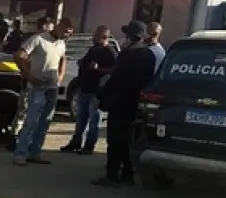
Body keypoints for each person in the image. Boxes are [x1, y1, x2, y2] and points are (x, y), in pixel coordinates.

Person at [93, 20, 157, 187]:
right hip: (137, 104)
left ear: (131, 37)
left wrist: (102, 93)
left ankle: (112, 175)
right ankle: (128, 174)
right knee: (130, 140)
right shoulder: (149, 55)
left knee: (115, 140)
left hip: (120, 102)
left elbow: (116, 80)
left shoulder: (127, 55)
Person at [11, 16, 73, 166]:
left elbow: (63, 58)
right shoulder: (39, 39)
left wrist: (60, 76)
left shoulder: (61, 44)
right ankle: (20, 153)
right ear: (58, 26)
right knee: (31, 121)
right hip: (38, 87)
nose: (67, 35)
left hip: (52, 88)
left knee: (45, 121)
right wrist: (29, 77)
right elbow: (18, 56)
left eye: (70, 33)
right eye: (65, 31)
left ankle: (35, 152)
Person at [61, 25, 116, 154]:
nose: (93, 38)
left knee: (94, 120)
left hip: (96, 92)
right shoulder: (93, 49)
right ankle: (76, 142)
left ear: (104, 37)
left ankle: (89, 146)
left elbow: (114, 69)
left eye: (96, 36)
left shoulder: (110, 52)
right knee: (80, 119)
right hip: (84, 88)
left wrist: (99, 69)